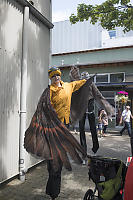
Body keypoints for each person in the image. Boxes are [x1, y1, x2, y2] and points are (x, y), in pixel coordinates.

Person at [24, 66, 90, 200]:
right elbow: (43, 109)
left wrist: (87, 79)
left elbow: (78, 84)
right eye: (53, 76)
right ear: (50, 78)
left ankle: (53, 191)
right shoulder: (49, 91)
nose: (56, 78)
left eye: (57, 75)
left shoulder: (68, 86)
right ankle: (53, 191)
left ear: (60, 76)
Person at [70, 70, 115, 164]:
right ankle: (83, 154)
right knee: (81, 131)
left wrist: (107, 106)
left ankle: (95, 149)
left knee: (93, 129)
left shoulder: (92, 84)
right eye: (83, 78)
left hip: (90, 110)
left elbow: (98, 94)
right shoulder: (78, 84)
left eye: (86, 77)